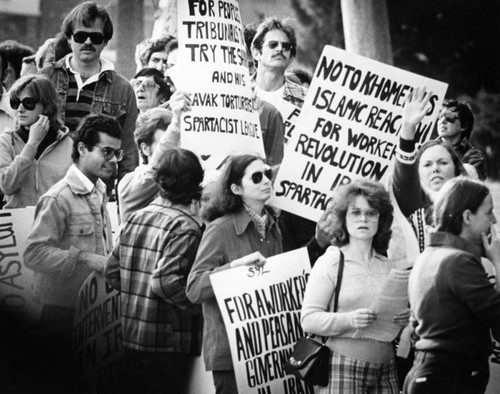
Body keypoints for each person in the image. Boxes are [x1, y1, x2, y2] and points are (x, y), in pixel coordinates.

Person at [23, 113, 121, 392]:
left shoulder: (99, 190)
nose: (113, 160)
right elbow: (33, 254)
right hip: (61, 316)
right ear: (82, 149)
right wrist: (84, 258)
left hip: (94, 315)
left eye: (117, 153)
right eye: (106, 152)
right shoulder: (58, 197)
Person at [105, 148, 204, 394]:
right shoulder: (185, 226)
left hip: (131, 336)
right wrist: (196, 306)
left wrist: (137, 294)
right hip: (167, 343)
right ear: (195, 183)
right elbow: (164, 282)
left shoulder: (137, 217)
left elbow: (112, 272)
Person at [301, 179, 410, 393]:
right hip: (342, 368)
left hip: (386, 371)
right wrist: (350, 319)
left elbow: (393, 325)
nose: (363, 219)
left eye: (371, 213)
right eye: (356, 212)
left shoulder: (388, 265)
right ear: (343, 218)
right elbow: (308, 319)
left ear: (381, 219)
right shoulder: (331, 261)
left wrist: (404, 320)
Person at [186, 154, 282, 393]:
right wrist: (234, 268)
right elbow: (194, 288)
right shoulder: (220, 229)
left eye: (267, 174)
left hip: (267, 349)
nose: (266, 181)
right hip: (231, 353)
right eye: (256, 177)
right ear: (237, 188)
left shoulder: (273, 226)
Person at [403, 177, 500, 394]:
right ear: (467, 216)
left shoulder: (429, 255)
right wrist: (499, 261)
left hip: (429, 373)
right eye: (488, 212)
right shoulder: (459, 261)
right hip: (450, 377)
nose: (493, 220)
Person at [40, 1, 138, 183]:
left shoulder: (123, 89)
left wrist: (122, 199)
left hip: (97, 190)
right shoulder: (45, 78)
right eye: (80, 36)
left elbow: (128, 152)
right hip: (48, 187)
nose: (87, 42)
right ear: (69, 39)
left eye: (95, 37)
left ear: (105, 42)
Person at [392, 87, 470, 253]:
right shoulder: (414, 202)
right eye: (427, 165)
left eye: (442, 163)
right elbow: (404, 174)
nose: (435, 169)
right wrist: (408, 127)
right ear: (417, 173)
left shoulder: (472, 203)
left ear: (456, 169)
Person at [0, 75, 72, 208]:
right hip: (18, 224)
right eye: (15, 103)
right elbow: (6, 186)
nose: (20, 109)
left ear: (46, 106)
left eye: (28, 103)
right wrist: (32, 144)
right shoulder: (6, 141)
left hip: (54, 223)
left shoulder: (68, 145)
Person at [117, 94, 190, 222]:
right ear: (145, 148)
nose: (175, 152)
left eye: (177, 144)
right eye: (166, 142)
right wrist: (176, 124)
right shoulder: (128, 184)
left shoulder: (186, 181)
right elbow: (155, 170)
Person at [251, 17, 307, 109]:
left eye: (286, 46)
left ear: (291, 57)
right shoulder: (238, 90)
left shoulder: (306, 99)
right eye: (273, 44)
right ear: (256, 53)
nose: (280, 49)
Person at [436, 99, 487, 180]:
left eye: (449, 117)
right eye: (440, 117)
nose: (442, 121)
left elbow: (466, 186)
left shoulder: (474, 157)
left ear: (464, 126)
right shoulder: (426, 148)